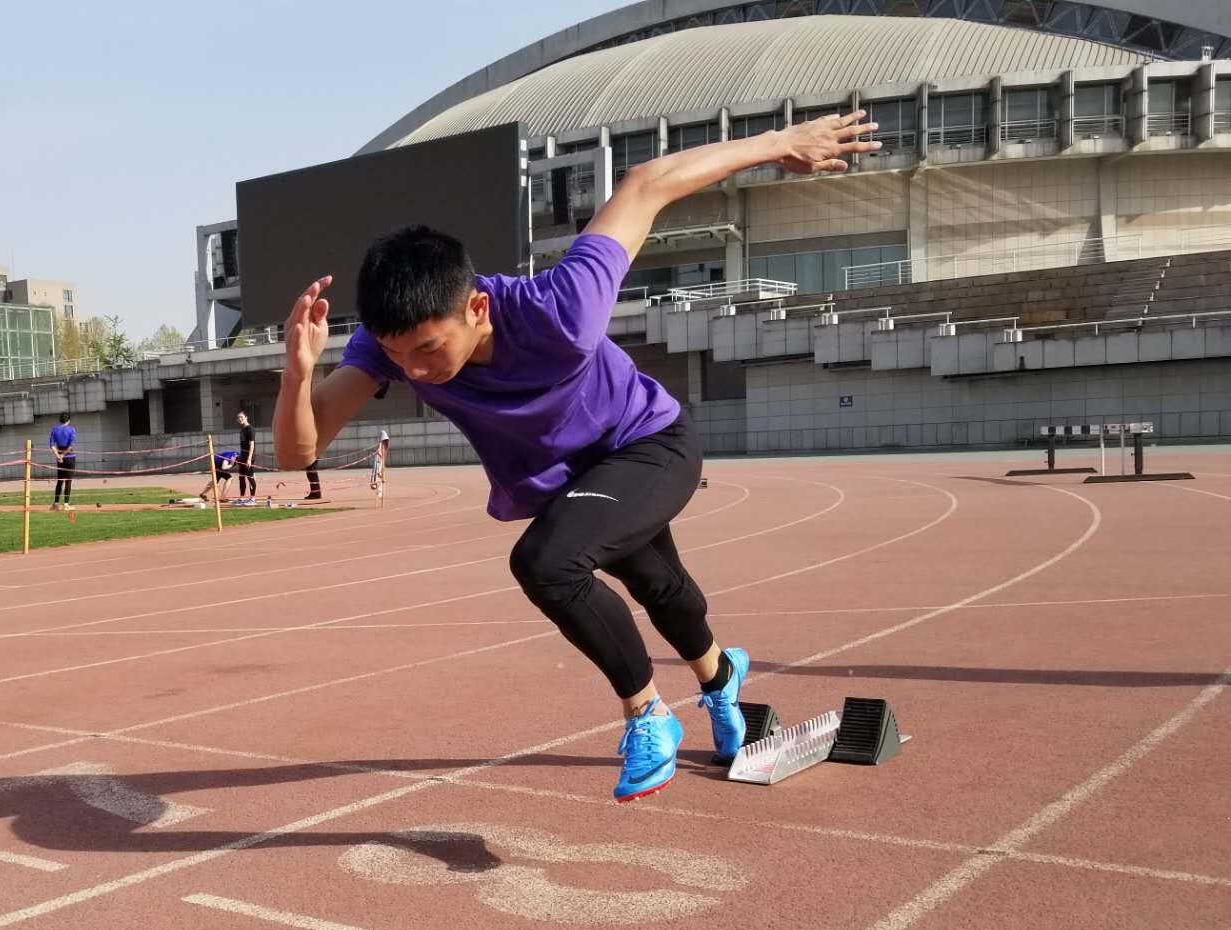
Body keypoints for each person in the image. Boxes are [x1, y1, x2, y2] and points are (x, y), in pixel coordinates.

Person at [272, 111, 882, 801]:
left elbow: (647, 184)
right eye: (395, 355)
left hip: (651, 443)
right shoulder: (387, 350)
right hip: (577, 481)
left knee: (546, 563)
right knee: (661, 588)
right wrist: (298, 371)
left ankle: (647, 713)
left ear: (477, 308)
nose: (412, 370)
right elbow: (301, 450)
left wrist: (780, 144)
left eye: (427, 349)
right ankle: (721, 681)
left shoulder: (561, 308)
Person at [49, 412, 77, 511]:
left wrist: (59, 456)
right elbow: (71, 446)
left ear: (60, 420)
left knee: (60, 481)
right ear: (68, 420)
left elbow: (52, 445)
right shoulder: (72, 429)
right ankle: (66, 505)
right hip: (70, 457)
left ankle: (56, 504)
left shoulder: (54, 429)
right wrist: (63, 455)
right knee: (68, 481)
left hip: (60, 458)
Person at [235, 410, 258, 502]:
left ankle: (252, 498)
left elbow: (252, 445)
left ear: (246, 418)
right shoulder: (242, 429)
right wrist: (240, 456)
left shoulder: (250, 429)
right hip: (242, 456)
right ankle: (241, 497)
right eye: (238, 418)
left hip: (249, 457)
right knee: (241, 476)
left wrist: (249, 459)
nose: (240, 419)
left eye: (241, 417)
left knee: (250, 477)